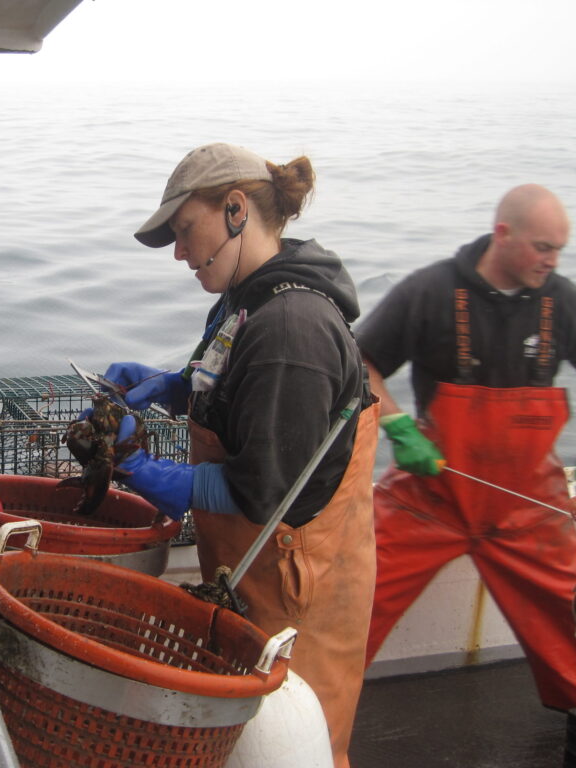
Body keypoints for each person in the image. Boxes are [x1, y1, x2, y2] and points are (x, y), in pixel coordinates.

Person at [102, 143, 379, 768]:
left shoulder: (292, 329)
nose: (179, 253)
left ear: (235, 209)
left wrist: (160, 479)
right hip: (247, 570)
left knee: (294, 741)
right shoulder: (243, 299)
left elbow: (266, 490)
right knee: (242, 742)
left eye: (183, 230)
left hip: (292, 584)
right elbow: (237, 387)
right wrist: (175, 386)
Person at [357, 184, 576, 711]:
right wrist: (399, 427)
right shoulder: (429, 291)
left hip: (526, 507)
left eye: (560, 249)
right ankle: (311, 708)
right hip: (428, 495)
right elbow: (360, 363)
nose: (553, 260)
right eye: (543, 247)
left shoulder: (562, 300)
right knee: (354, 599)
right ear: (503, 235)